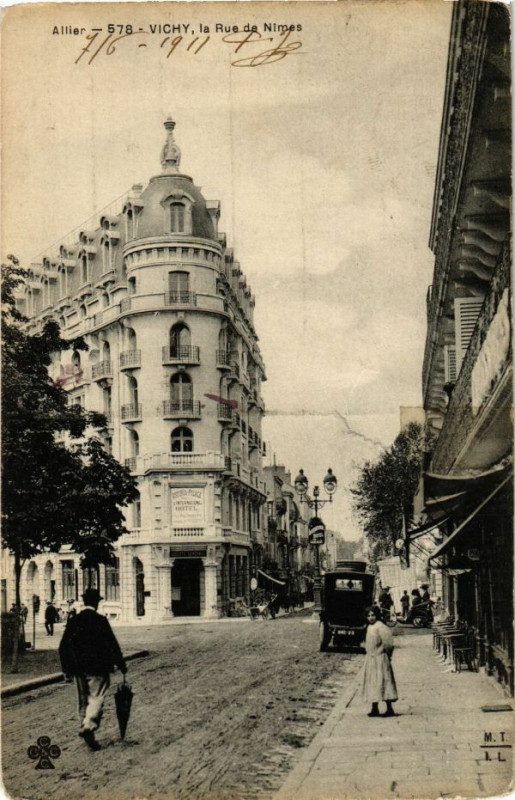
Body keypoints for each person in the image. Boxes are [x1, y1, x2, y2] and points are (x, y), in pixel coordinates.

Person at [59, 588, 127, 751]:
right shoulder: (100, 620)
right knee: (96, 697)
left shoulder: (74, 620)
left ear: (84, 602)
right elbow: (112, 644)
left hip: (78, 668)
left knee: (83, 700)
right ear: (96, 602)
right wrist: (121, 664)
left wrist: (66, 669)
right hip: (98, 667)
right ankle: (88, 727)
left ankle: (86, 727)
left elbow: (63, 646)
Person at [362, 606, 398, 718]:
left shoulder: (381, 627)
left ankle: (389, 708)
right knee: (373, 682)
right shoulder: (369, 627)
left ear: (377, 615)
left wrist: (387, 655)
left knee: (384, 681)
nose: (371, 618)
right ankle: (374, 707)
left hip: (381, 658)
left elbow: (388, 644)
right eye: (368, 616)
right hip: (371, 659)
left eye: (373, 615)